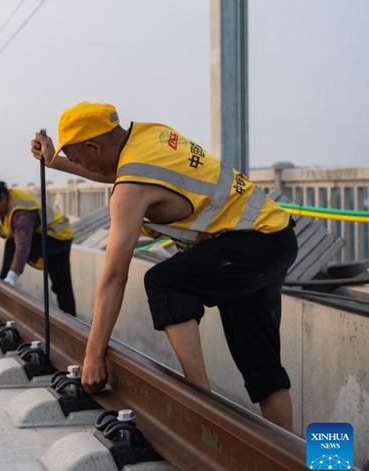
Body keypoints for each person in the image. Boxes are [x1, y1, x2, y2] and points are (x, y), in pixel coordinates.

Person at [30, 101, 297, 430]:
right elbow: (111, 168)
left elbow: (115, 277)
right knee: (261, 365)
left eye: (78, 158)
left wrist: (93, 355)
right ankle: (293, 458)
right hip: (272, 234)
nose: (79, 165)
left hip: (249, 244)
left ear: (93, 146)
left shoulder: (130, 190)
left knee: (165, 282)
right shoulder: (150, 135)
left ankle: (201, 401)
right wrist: (55, 160)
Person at [0, 180, 77, 316]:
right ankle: (2, 288)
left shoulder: (21, 213)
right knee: (60, 285)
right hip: (45, 234)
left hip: (57, 237)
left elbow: (22, 246)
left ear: (3, 198)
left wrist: (13, 275)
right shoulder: (9, 198)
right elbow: (12, 227)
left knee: (61, 284)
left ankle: (70, 320)